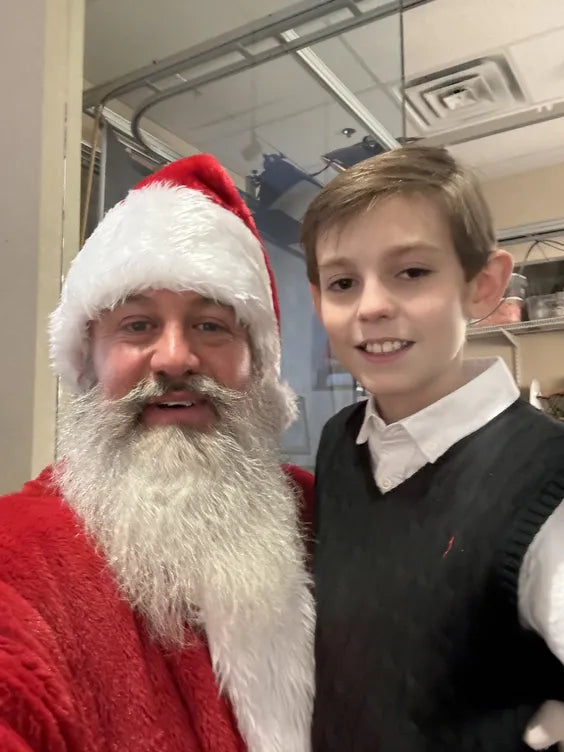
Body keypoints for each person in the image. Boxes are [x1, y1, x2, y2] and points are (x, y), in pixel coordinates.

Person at [0, 154, 315, 752]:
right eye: (138, 325)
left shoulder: (324, 513)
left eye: (212, 326)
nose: (175, 358)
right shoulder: (19, 557)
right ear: (89, 361)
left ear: (259, 367)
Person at [301, 144, 564, 751]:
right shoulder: (339, 442)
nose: (371, 306)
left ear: (483, 286)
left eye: (412, 272)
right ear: (319, 304)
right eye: (343, 282)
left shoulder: (548, 484)